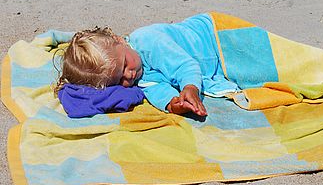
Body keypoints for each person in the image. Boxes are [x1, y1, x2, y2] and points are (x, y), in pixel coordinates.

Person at [54, 13, 239, 117]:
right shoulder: (139, 81)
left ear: (119, 40)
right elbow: (157, 90)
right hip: (213, 63)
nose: (129, 75)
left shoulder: (148, 41)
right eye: (120, 79)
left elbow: (185, 66)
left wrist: (190, 87)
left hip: (211, 36)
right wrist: (174, 104)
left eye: (125, 64)